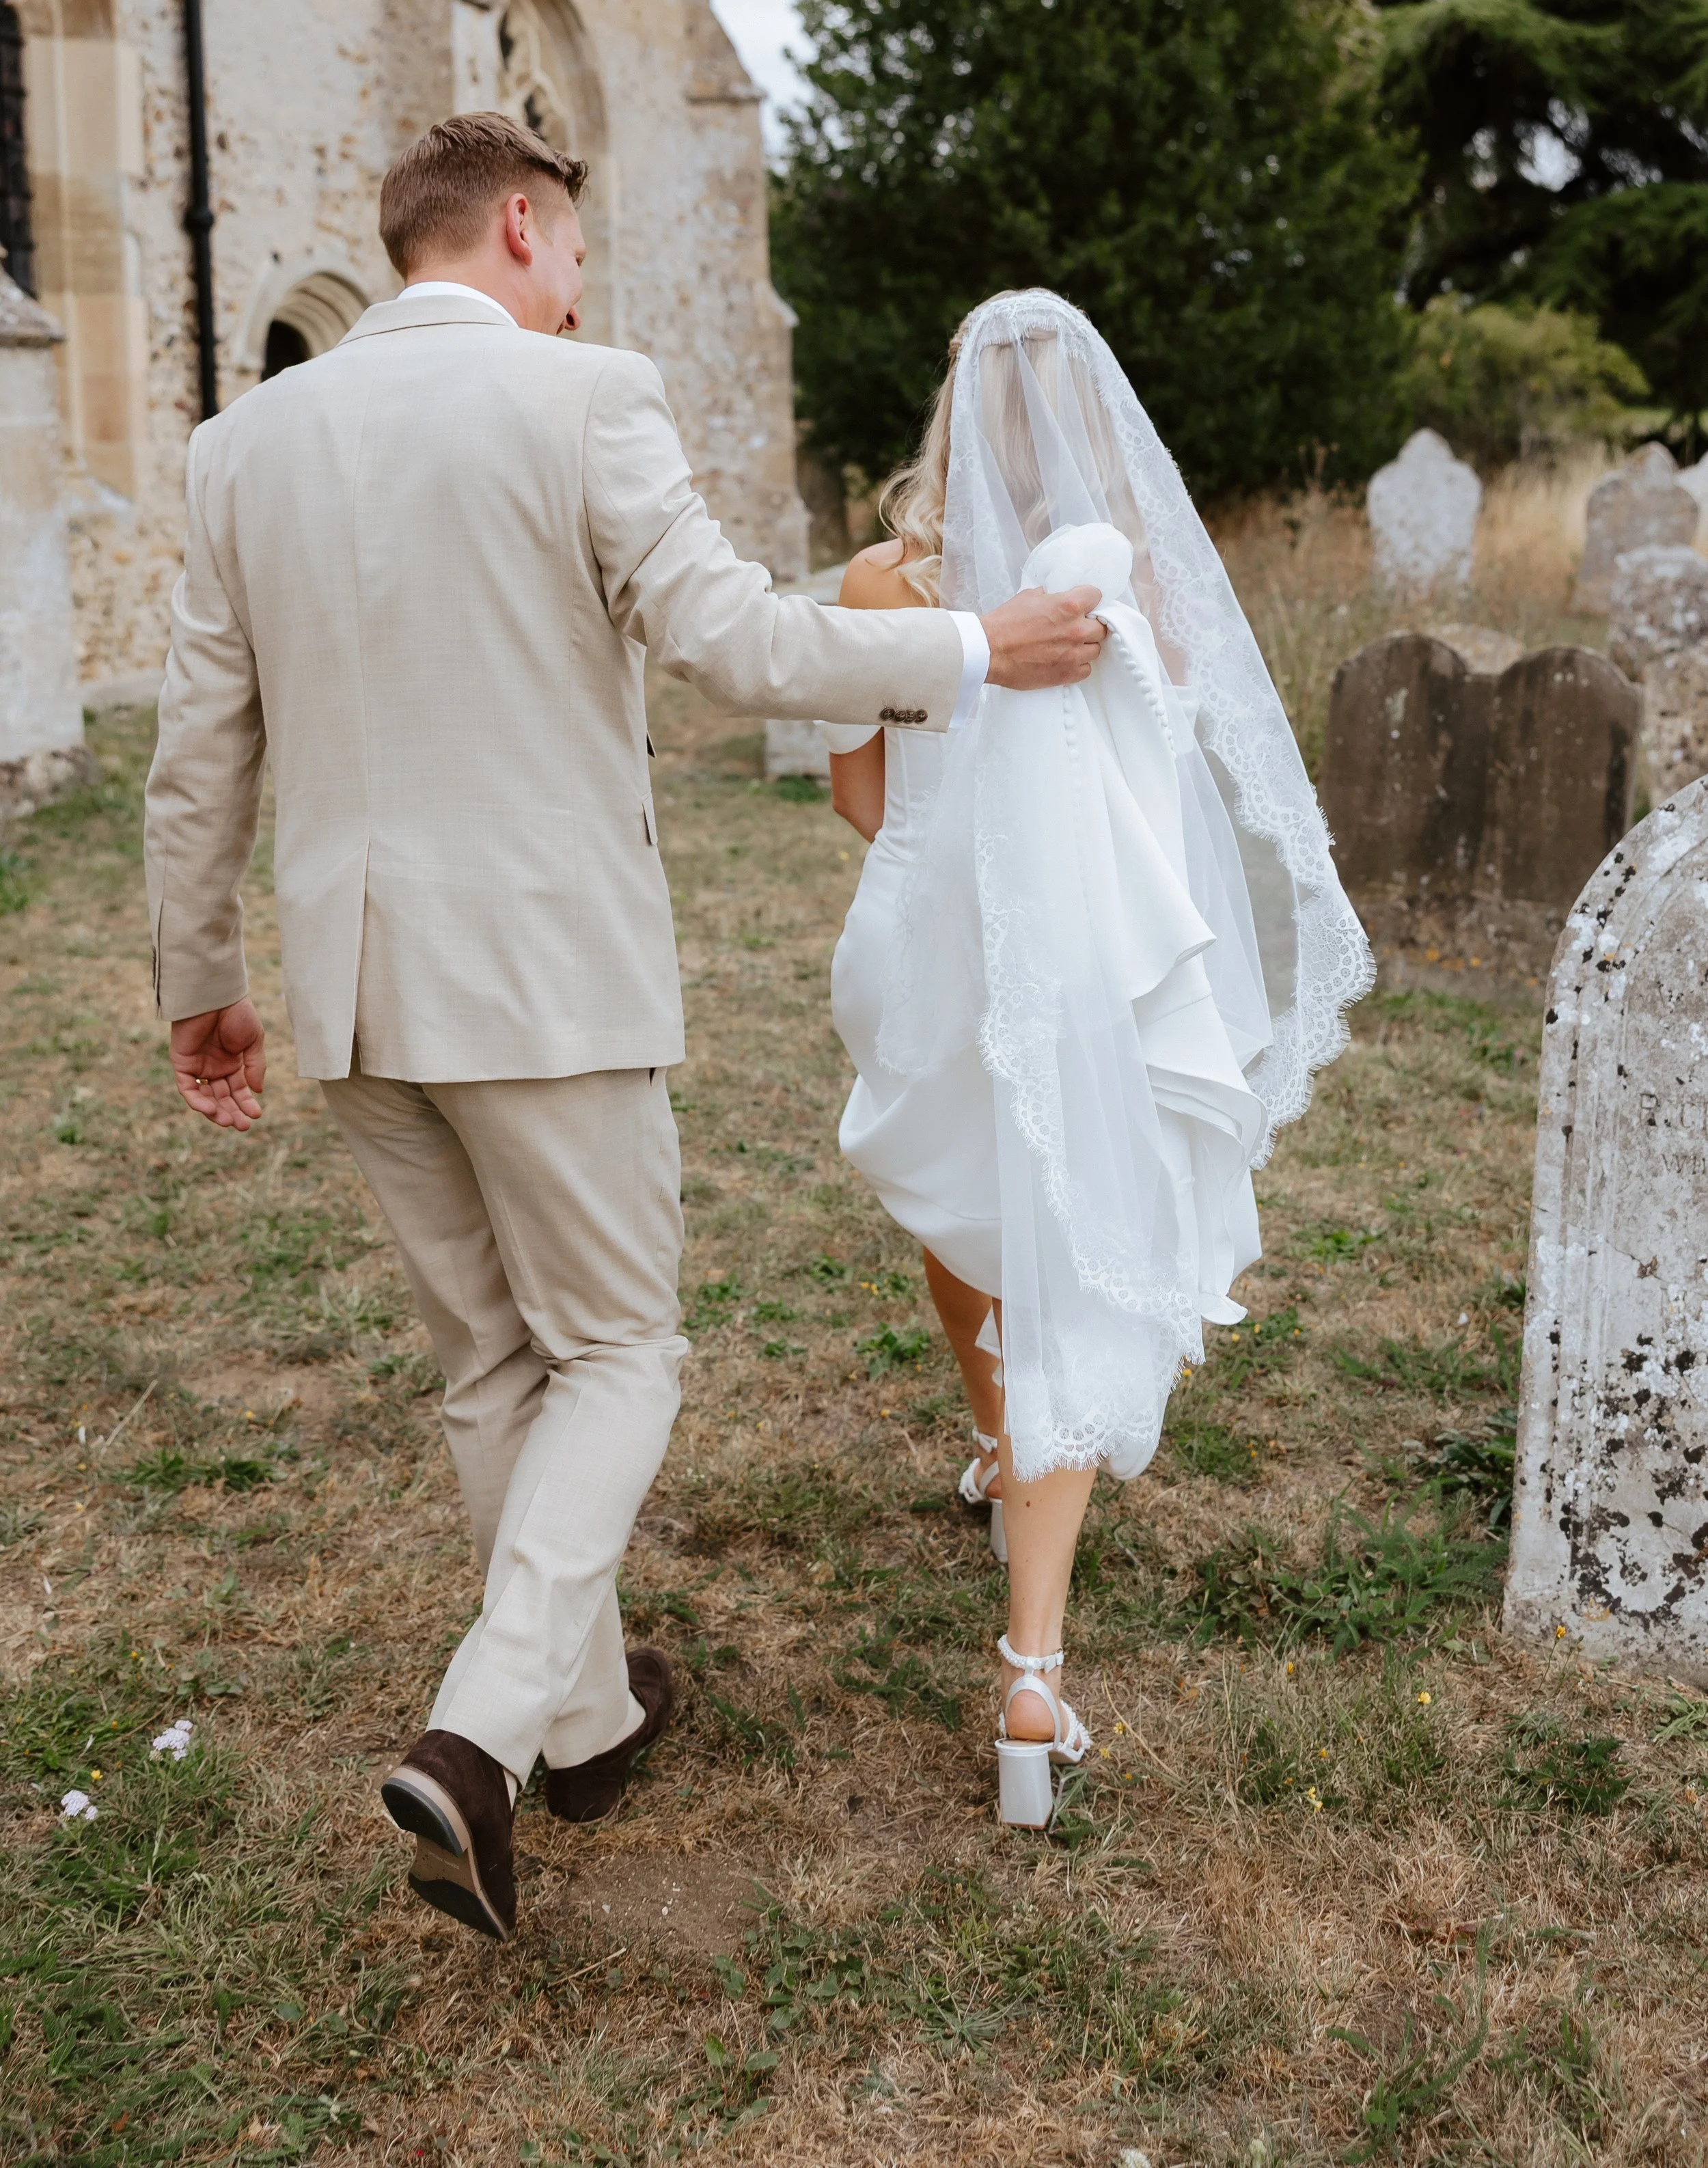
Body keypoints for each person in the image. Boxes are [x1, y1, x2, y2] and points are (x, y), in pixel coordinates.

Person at [143, 120, 1110, 1939]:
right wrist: (973, 647)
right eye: (572, 248)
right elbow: (738, 641)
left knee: (492, 1363)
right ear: (520, 223)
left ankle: (584, 1720)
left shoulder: (236, 445)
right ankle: (489, 1727)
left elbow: (200, 749)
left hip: (354, 995)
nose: (579, 283)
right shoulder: (582, 396)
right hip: (542, 979)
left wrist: (202, 980)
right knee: (620, 1352)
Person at [827, 288, 1373, 1827]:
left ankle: (995, 1441)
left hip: (916, 939)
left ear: (954, 405)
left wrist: (941, 880)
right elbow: (1172, 784)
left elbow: (854, 792)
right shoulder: (1132, 590)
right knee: (1066, 1247)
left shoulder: (885, 575)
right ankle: (1030, 1674)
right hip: (1075, 948)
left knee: (963, 1204)